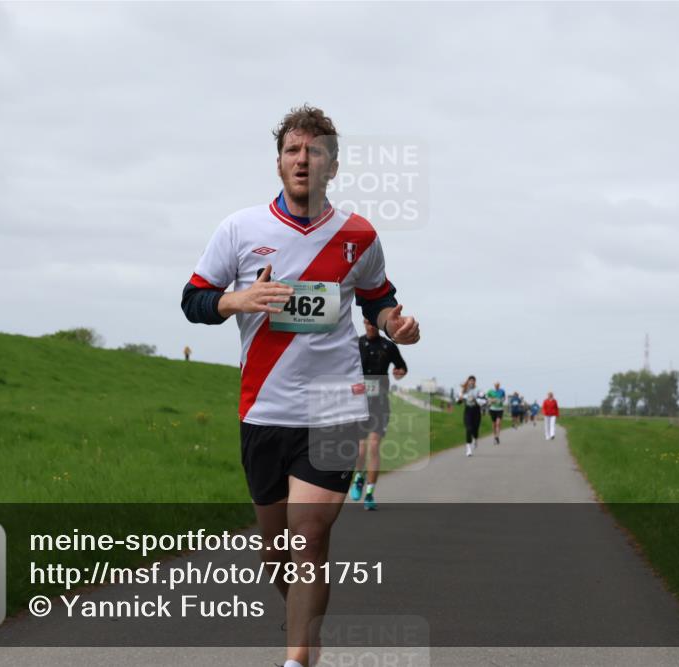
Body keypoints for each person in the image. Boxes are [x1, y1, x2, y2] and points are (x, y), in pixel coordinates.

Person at [181, 105, 420, 667]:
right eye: (293, 150)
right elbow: (192, 301)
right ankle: (307, 637)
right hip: (264, 407)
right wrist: (235, 300)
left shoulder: (358, 235)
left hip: (334, 402)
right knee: (278, 553)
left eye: (315, 151)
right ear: (279, 161)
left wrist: (396, 325)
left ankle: (295, 660)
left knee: (308, 536)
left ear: (332, 165)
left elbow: (379, 299)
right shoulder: (240, 229)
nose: (303, 160)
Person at [352, 318, 408, 511]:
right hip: (360, 402)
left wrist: (399, 372)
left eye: (374, 323)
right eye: (368, 323)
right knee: (360, 448)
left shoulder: (388, 345)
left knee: (374, 447)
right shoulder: (356, 343)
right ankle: (359, 476)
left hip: (380, 403)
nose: (371, 326)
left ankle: (369, 493)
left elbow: (401, 367)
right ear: (364, 323)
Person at [457, 376, 486, 457]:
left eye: (473, 381)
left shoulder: (479, 390)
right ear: (468, 381)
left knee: (475, 429)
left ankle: (475, 439)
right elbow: (458, 402)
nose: (471, 382)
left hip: (476, 411)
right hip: (468, 411)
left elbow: (483, 401)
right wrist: (460, 399)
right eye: (470, 381)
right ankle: (468, 449)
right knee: (469, 429)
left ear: (475, 382)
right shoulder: (464, 390)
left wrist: (475, 399)